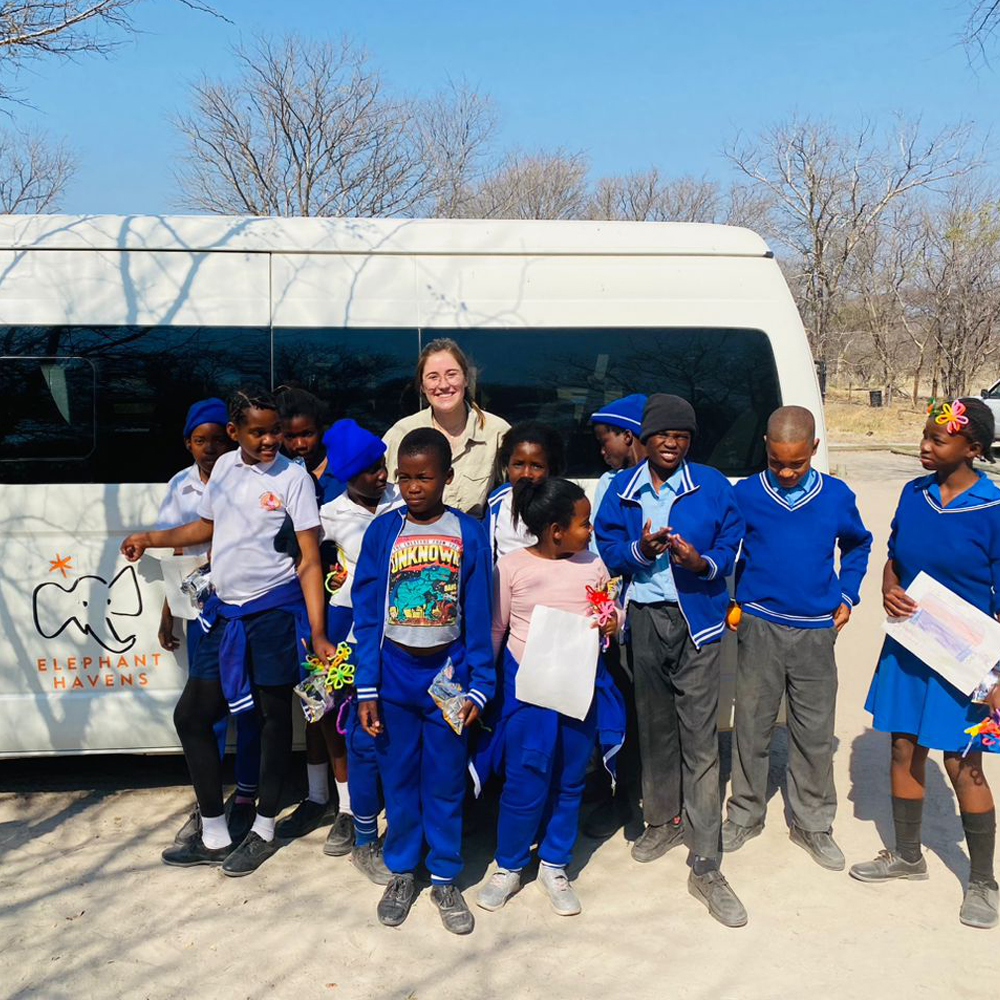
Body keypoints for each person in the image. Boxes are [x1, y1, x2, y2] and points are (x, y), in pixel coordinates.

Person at [121, 387, 336, 876]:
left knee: (271, 719)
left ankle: (262, 829)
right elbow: (205, 528)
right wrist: (149, 538)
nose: (269, 440)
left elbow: (307, 561)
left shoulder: (293, 478)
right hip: (223, 612)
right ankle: (214, 832)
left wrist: (318, 631)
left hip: (274, 614)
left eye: (274, 430)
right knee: (193, 716)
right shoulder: (223, 469)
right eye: (257, 431)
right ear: (234, 432)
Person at [594, 393, 747, 927]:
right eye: (663, 435)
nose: (672, 443)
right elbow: (608, 548)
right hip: (644, 620)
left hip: (698, 622)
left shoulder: (711, 484)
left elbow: (733, 540)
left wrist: (699, 561)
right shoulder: (621, 488)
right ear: (644, 438)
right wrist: (642, 552)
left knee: (700, 738)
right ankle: (663, 819)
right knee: (656, 729)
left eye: (681, 436)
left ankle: (706, 859)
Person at [850, 398, 1000, 929]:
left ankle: (983, 881)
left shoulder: (994, 510)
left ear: (973, 449)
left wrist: (996, 677)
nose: (925, 447)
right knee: (902, 746)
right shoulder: (914, 494)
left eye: (939, 441)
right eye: (925, 437)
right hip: (910, 645)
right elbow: (895, 555)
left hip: (968, 657)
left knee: (963, 762)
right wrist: (889, 587)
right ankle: (908, 856)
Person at [353, 427, 494, 935]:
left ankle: (445, 876)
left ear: (447, 478)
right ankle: (402, 872)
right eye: (405, 478)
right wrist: (365, 687)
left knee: (445, 778)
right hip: (393, 676)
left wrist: (481, 684)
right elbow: (367, 616)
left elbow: (480, 613)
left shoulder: (468, 534)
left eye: (425, 477)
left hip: (448, 676)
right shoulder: (383, 533)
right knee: (399, 779)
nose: (414, 487)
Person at [722, 406, 872, 870]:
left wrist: (847, 593)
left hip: (814, 632)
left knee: (812, 729)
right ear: (766, 448)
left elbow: (858, 543)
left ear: (814, 450)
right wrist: (737, 602)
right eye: (777, 463)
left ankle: (812, 822)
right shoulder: (745, 494)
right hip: (760, 625)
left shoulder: (836, 496)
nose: (786, 472)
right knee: (751, 722)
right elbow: (726, 546)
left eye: (797, 463)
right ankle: (745, 812)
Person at [475, 477, 624, 916]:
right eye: (583, 523)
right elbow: (497, 629)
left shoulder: (593, 564)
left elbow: (604, 612)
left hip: (578, 685)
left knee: (570, 777)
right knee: (526, 776)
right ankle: (508, 865)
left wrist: (612, 623)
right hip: (529, 689)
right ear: (556, 530)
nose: (590, 531)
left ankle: (555, 864)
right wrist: (490, 687)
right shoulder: (513, 567)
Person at [278, 418, 403, 884]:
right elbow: (301, 568)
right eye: (370, 470)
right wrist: (312, 631)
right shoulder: (327, 515)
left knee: (383, 713)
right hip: (340, 625)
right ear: (348, 474)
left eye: (382, 466)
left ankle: (390, 807)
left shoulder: (401, 504)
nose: (382, 476)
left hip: (393, 625)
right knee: (326, 709)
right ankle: (347, 808)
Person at [156, 398, 260, 847]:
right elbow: (171, 555)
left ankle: (247, 798)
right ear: (187, 444)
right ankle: (208, 802)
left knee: (249, 704)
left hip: (243, 607)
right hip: (199, 612)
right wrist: (167, 614)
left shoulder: (245, 479)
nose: (210, 447)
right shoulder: (180, 487)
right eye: (201, 440)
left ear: (232, 438)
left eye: (218, 439)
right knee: (206, 712)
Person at [583, 392, 647, 840]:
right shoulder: (608, 483)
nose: (602, 449)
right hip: (610, 616)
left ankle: (641, 800)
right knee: (615, 708)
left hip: (645, 614)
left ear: (629, 435)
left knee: (648, 714)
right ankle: (615, 795)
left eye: (606, 439)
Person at [382, 338, 509, 517]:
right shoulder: (400, 433)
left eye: (451, 374)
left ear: (466, 378)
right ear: (422, 386)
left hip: (473, 541)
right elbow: (378, 496)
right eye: (433, 377)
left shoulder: (497, 432)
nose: (443, 385)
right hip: (415, 541)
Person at [486, 420, 565, 564]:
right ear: (507, 465)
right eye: (518, 464)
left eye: (536, 466)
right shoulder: (497, 503)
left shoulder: (562, 504)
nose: (526, 474)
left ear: (551, 469)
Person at [277, 386, 344, 503]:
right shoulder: (274, 474)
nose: (300, 444)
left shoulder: (345, 470)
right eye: (290, 437)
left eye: (307, 434)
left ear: (320, 430)